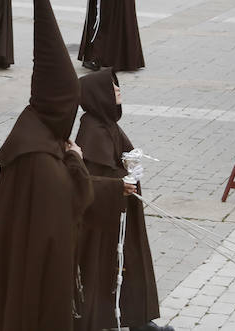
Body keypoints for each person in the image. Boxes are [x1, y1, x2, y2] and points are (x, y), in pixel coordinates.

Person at [0, 0, 93, 330]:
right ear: (57, 105)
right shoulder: (40, 157)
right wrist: (76, 160)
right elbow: (76, 201)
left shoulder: (33, 133)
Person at [75, 69, 172, 331]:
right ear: (99, 96)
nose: (118, 90)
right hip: (104, 221)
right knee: (111, 267)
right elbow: (91, 179)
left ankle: (138, 319)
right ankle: (113, 320)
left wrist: (130, 166)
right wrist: (121, 180)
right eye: (113, 87)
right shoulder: (92, 129)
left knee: (129, 264)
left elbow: (120, 157)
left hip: (120, 215)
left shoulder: (107, 124)